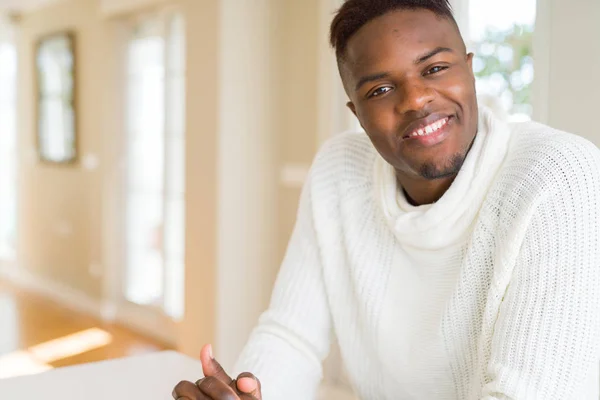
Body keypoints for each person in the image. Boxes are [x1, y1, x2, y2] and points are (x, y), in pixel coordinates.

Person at [173, 0, 600, 399]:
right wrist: (252, 393)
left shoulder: (557, 176)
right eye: (379, 90)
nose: (415, 100)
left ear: (469, 70)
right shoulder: (338, 171)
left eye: (434, 68)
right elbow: (291, 335)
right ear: (356, 112)